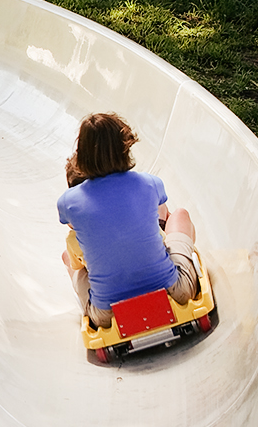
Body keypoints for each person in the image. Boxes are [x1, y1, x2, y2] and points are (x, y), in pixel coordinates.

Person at [57, 112, 200, 329]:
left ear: (82, 155)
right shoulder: (150, 183)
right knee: (179, 215)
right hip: (173, 293)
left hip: (107, 313)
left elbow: (73, 225)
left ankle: (105, 291)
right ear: (126, 145)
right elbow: (160, 207)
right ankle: (180, 262)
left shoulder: (68, 202)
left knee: (70, 258)